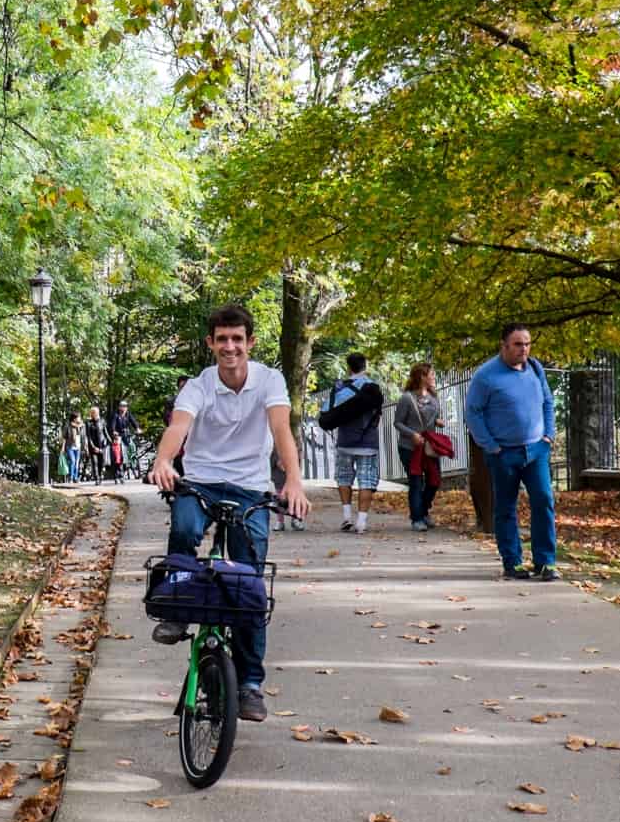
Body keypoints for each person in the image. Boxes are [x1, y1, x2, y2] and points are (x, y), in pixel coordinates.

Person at [150, 303, 312, 723]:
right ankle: (173, 608)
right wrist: (165, 461)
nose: (230, 347)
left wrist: (292, 480)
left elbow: (281, 431)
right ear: (210, 343)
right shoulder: (199, 386)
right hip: (201, 481)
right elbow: (179, 427)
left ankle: (250, 684)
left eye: (237, 339)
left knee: (249, 586)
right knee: (185, 527)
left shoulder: (269, 381)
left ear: (250, 343)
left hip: (250, 488)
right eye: (222, 339)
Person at [464, 324, 559, 581]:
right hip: (503, 452)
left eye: (527, 344)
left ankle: (546, 562)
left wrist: (548, 434)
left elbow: (548, 402)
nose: (524, 349)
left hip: (536, 449)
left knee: (543, 501)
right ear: (504, 346)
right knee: (506, 507)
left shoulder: (535, 368)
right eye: (518, 344)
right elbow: (472, 412)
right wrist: (490, 444)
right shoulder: (486, 376)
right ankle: (513, 562)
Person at [324, 352, 384, 533]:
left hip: (344, 442)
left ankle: (346, 517)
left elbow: (328, 412)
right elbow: (378, 414)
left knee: (344, 478)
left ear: (348, 367)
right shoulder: (374, 388)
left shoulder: (340, 388)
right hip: (368, 443)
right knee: (366, 481)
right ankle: (362, 522)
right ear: (365, 366)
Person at [394, 363, 446, 531]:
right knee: (416, 481)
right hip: (409, 447)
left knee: (434, 481)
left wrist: (438, 421)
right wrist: (412, 434)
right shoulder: (407, 399)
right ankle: (417, 519)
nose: (433, 377)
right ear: (422, 376)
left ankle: (422, 510)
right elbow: (398, 423)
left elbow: (434, 417)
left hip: (429, 447)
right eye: (431, 374)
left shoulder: (433, 397)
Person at [83, 406, 108, 483]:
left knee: (101, 462)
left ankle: (100, 476)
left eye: (96, 412)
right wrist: (93, 447)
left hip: (102, 445)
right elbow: (88, 436)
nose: (94, 414)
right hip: (93, 446)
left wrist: (109, 441)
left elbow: (105, 433)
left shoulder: (102, 421)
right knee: (94, 462)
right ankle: (96, 478)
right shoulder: (88, 423)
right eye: (93, 413)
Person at [61, 416, 81, 486]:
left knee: (77, 463)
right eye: (78, 417)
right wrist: (63, 448)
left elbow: (83, 436)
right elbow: (64, 438)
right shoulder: (68, 426)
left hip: (78, 447)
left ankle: (75, 478)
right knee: (73, 461)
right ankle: (71, 478)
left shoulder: (80, 426)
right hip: (70, 446)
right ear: (74, 418)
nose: (79, 419)